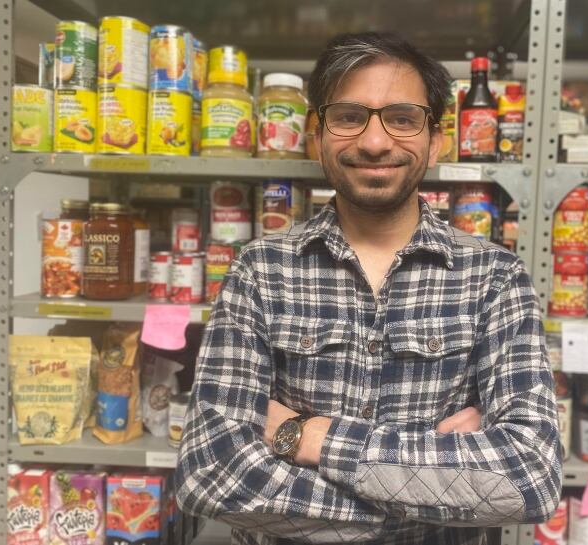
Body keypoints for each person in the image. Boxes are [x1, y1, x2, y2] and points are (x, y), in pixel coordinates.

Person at [175, 32, 562, 545]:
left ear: (436, 139)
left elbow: (530, 478)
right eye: (349, 116)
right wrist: (429, 499)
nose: (375, 142)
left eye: (402, 118)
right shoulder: (259, 270)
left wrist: (307, 436)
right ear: (316, 135)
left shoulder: (496, 277)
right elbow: (211, 473)